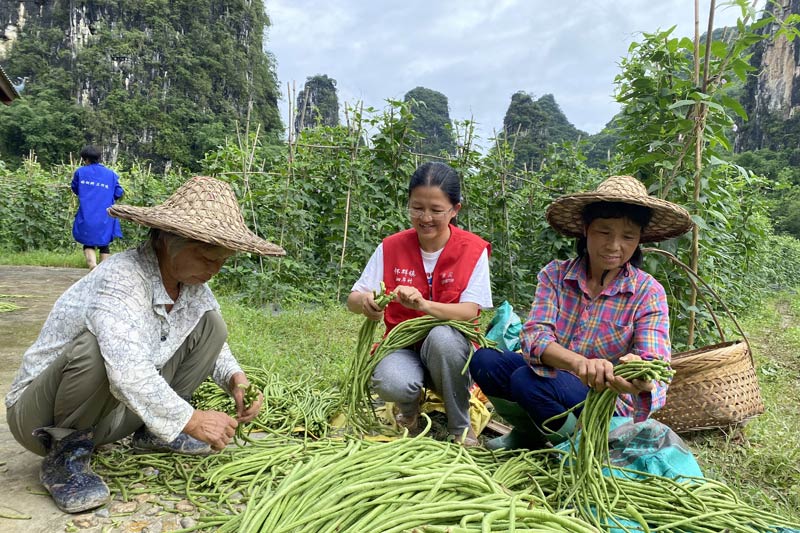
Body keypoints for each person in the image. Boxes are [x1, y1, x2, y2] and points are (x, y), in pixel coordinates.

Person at [5, 176, 286, 513]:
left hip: (109, 418)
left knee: (211, 323)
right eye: (208, 258)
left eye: (222, 261)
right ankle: (65, 456)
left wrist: (236, 380)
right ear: (171, 242)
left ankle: (154, 434)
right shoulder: (121, 277)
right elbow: (125, 369)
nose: (215, 270)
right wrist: (192, 419)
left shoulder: (192, 286)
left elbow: (216, 348)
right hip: (38, 419)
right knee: (95, 350)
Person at [470, 175, 693, 450]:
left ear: (639, 240)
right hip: (556, 377)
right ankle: (531, 432)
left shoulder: (647, 292)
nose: (614, 245)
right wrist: (578, 363)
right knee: (485, 361)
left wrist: (638, 377)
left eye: (628, 236)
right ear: (586, 229)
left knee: (528, 380)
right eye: (604, 232)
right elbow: (535, 337)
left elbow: (655, 365)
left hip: (605, 399)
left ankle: (579, 445)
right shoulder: (555, 275)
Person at [347, 162, 493, 447]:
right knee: (391, 381)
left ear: (455, 210)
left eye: (436, 210)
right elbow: (353, 299)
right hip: (403, 348)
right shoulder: (391, 247)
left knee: (443, 337)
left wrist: (424, 305)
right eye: (417, 208)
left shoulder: (472, 250)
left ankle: (460, 427)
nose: (425, 217)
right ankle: (409, 411)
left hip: (451, 355)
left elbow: (469, 312)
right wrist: (366, 302)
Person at [70, 145, 125, 270]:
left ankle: (93, 266)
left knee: (88, 241)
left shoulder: (80, 172)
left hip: (87, 212)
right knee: (104, 243)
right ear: (99, 158)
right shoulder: (111, 174)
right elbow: (119, 192)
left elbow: (75, 188)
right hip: (105, 214)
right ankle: (102, 270)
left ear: (86, 159)